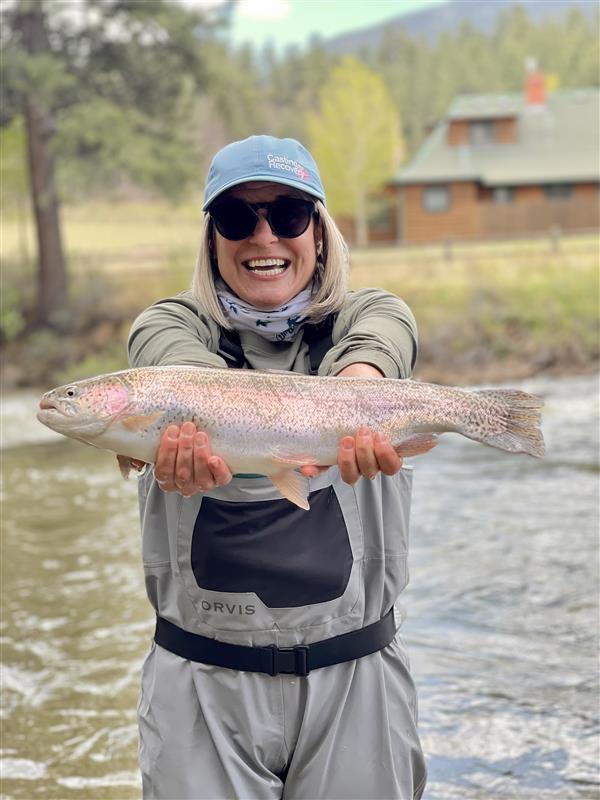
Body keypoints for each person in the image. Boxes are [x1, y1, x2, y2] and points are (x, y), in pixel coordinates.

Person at [126, 135, 426, 799]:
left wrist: (359, 393)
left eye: (288, 215)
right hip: (201, 685)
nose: (264, 237)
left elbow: (380, 344)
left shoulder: (371, 315)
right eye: (237, 218)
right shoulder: (167, 331)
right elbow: (183, 378)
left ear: (320, 233)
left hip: (357, 679)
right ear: (211, 240)